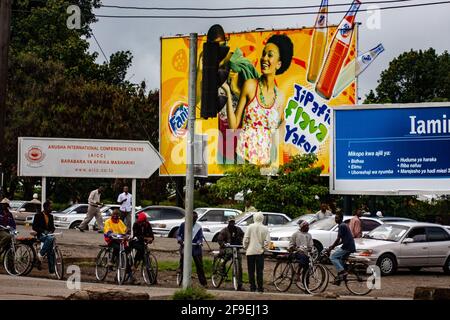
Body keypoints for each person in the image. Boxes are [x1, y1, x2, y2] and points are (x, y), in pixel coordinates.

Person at [222, 34, 294, 166]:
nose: (264, 58)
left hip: (266, 167)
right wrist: (227, 92)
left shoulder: (280, 98)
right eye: (263, 54)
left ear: (279, 64)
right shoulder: (250, 85)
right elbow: (233, 127)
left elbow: (278, 134)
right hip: (244, 164)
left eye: (270, 55)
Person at [176, 211, 207, 287]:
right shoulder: (184, 225)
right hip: (185, 246)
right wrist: (180, 240)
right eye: (193, 218)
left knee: (199, 266)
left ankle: (203, 283)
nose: (194, 220)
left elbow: (200, 237)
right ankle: (181, 276)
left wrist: (199, 242)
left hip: (196, 248)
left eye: (196, 218)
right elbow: (178, 234)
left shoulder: (198, 226)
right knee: (183, 261)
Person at [243, 212, 270, 293]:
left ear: (254, 218)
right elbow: (267, 241)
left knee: (251, 271)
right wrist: (265, 249)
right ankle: (260, 287)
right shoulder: (265, 228)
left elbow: (246, 239)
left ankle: (252, 287)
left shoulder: (250, 227)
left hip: (250, 252)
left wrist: (245, 247)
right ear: (262, 218)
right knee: (259, 271)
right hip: (260, 252)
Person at [103, 209, 133, 280]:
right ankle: (111, 261)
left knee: (127, 252)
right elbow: (107, 230)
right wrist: (110, 234)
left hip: (120, 240)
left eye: (117, 216)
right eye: (114, 215)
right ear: (112, 215)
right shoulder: (108, 221)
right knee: (117, 248)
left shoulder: (120, 222)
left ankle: (129, 275)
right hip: (111, 239)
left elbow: (124, 229)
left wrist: (127, 233)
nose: (116, 217)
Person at [217, 216, 245, 290]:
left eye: (233, 222)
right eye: (230, 222)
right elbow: (219, 239)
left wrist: (243, 243)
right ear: (228, 222)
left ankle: (239, 284)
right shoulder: (224, 230)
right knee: (229, 253)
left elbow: (243, 236)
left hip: (236, 248)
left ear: (234, 222)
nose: (232, 223)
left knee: (239, 265)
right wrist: (224, 244)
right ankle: (222, 265)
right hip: (226, 248)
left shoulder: (238, 230)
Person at [328, 213, 356, 285]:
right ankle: (339, 280)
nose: (336, 219)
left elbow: (338, 239)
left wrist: (332, 247)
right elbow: (342, 241)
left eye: (337, 218)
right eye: (335, 218)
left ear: (341, 219)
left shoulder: (341, 226)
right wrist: (333, 246)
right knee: (340, 260)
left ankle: (343, 272)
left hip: (347, 246)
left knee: (333, 257)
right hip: (350, 246)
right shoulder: (344, 225)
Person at [32, 200, 56, 275]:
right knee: (50, 239)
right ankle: (41, 254)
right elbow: (34, 227)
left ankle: (52, 271)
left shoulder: (51, 216)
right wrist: (43, 231)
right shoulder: (38, 215)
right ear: (46, 207)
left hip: (48, 235)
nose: (52, 208)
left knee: (51, 252)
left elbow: (52, 227)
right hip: (40, 235)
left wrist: (51, 231)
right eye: (50, 207)